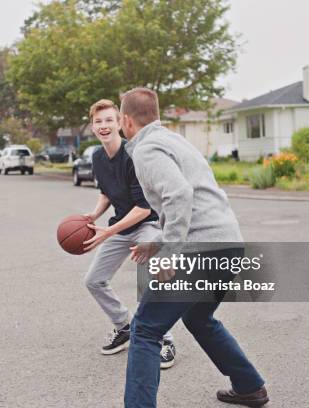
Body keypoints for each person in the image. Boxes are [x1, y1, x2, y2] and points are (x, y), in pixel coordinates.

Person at [119, 88, 268, 407]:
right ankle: (250, 386)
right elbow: (195, 201)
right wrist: (158, 241)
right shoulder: (174, 140)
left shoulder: (147, 149)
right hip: (228, 245)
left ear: (125, 120)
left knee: (145, 329)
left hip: (201, 251)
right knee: (199, 318)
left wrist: (170, 254)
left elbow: (180, 195)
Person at [81, 99, 176, 368]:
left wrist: (107, 231)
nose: (103, 126)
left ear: (120, 123)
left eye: (109, 120)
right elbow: (106, 192)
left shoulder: (134, 155)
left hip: (148, 225)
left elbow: (144, 209)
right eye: (98, 121)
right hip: (121, 224)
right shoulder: (97, 157)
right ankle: (124, 326)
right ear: (92, 126)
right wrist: (93, 215)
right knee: (94, 280)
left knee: (152, 275)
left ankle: (164, 338)